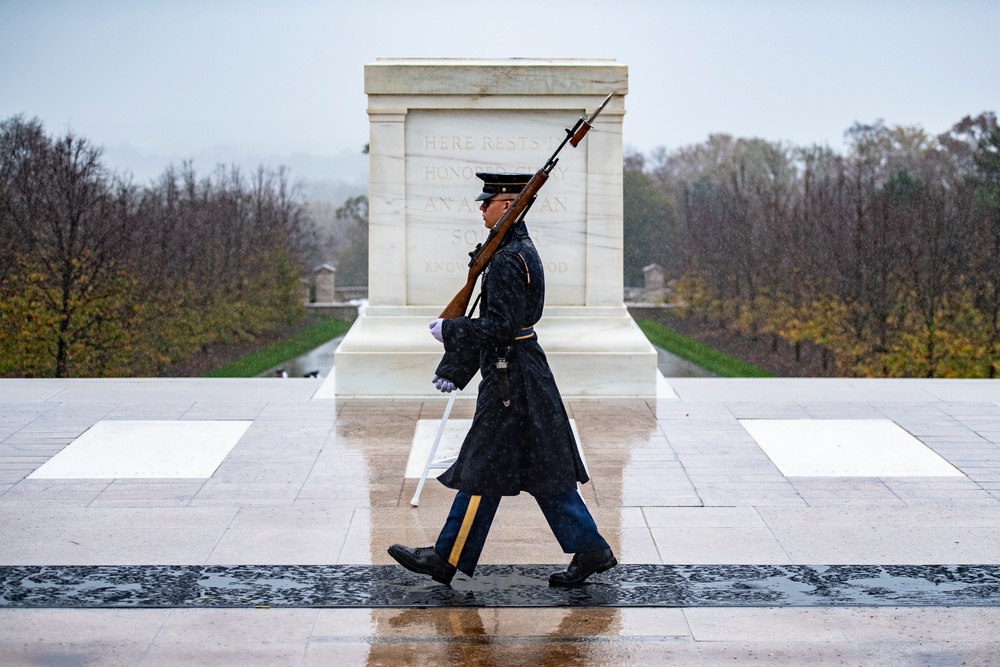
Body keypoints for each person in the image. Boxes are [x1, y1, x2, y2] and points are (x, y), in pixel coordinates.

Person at [388, 172, 616, 587]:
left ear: (508, 205)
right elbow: (501, 326)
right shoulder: (511, 250)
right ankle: (591, 549)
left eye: (488, 202)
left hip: (511, 381)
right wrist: (456, 369)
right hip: (520, 373)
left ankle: (446, 557)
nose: (481, 207)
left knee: (483, 466)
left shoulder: (510, 258)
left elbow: (500, 326)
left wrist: (451, 332)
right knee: (541, 468)